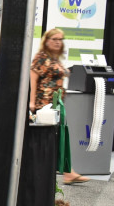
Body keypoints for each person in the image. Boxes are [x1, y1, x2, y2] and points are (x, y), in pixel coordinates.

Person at [29, 29, 88, 185]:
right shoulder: (41, 57)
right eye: (54, 39)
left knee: (58, 138)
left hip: (55, 106)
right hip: (44, 106)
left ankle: (68, 173)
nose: (58, 42)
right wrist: (31, 102)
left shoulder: (54, 58)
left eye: (60, 39)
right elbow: (33, 79)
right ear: (47, 40)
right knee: (49, 139)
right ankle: (65, 173)